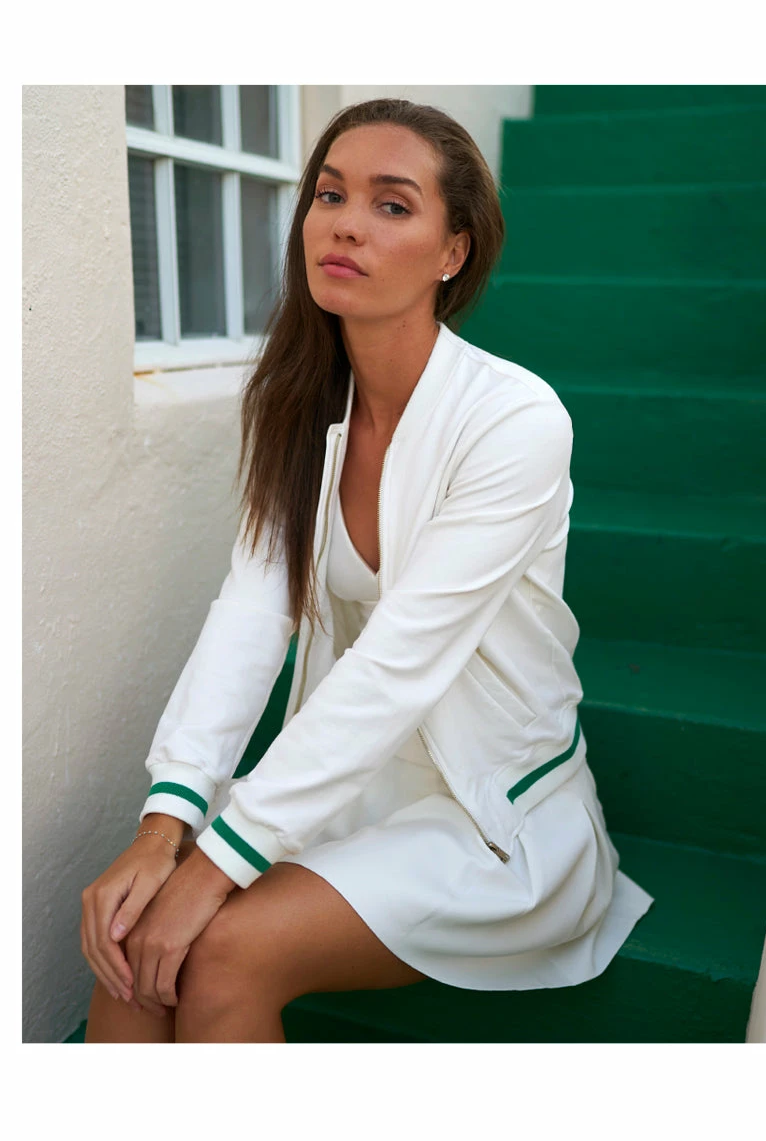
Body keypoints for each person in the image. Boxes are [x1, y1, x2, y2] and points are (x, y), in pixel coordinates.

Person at [81, 97, 655, 1043]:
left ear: (453, 251)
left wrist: (216, 862)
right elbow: (250, 613)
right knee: (131, 934)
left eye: (392, 204)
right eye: (330, 194)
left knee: (218, 950)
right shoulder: (298, 404)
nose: (346, 223)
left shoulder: (515, 419)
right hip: (345, 784)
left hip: (488, 811)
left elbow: (399, 662)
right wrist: (167, 818)